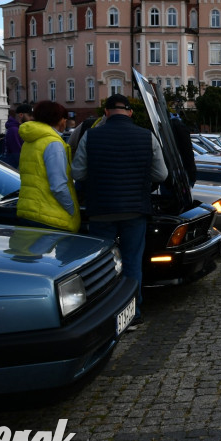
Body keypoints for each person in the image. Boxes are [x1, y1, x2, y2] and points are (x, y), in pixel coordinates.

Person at [71, 94, 168, 326]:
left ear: (105, 112)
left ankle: (103, 314)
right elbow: (162, 175)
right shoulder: (147, 136)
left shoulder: (90, 136)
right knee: (133, 261)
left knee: (101, 264)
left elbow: (77, 173)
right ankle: (132, 313)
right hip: (135, 209)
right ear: (130, 113)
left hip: (101, 209)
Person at [16, 100, 79, 232]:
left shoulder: (30, 141)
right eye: (64, 118)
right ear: (58, 119)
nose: (65, 122)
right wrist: (72, 210)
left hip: (28, 210)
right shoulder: (53, 143)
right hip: (49, 215)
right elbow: (58, 186)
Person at [170, 113, 197, 186]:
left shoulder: (165, 127)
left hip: (169, 174)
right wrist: (192, 175)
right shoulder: (181, 127)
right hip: (182, 172)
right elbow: (188, 153)